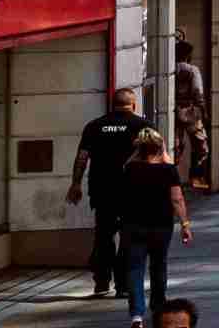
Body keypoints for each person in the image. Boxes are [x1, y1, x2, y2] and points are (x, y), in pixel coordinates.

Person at [67, 84, 148, 299]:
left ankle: (101, 282)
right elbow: (155, 160)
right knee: (129, 238)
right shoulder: (143, 126)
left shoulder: (94, 126)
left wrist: (75, 184)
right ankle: (123, 285)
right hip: (134, 192)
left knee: (104, 236)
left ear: (112, 105)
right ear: (133, 104)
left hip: (102, 192)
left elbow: (82, 157)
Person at [111, 127, 191, 326]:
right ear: (160, 147)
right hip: (161, 226)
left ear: (140, 148)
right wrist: (185, 224)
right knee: (158, 266)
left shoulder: (129, 169)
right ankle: (158, 307)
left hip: (133, 225)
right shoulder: (168, 170)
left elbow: (121, 195)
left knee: (135, 268)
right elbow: (177, 199)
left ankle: (137, 314)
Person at [173, 39, 212, 190]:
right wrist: (204, 112)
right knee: (201, 146)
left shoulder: (170, 69)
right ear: (188, 55)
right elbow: (197, 92)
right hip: (191, 113)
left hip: (174, 112)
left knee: (176, 146)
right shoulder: (192, 70)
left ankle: (174, 180)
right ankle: (196, 176)